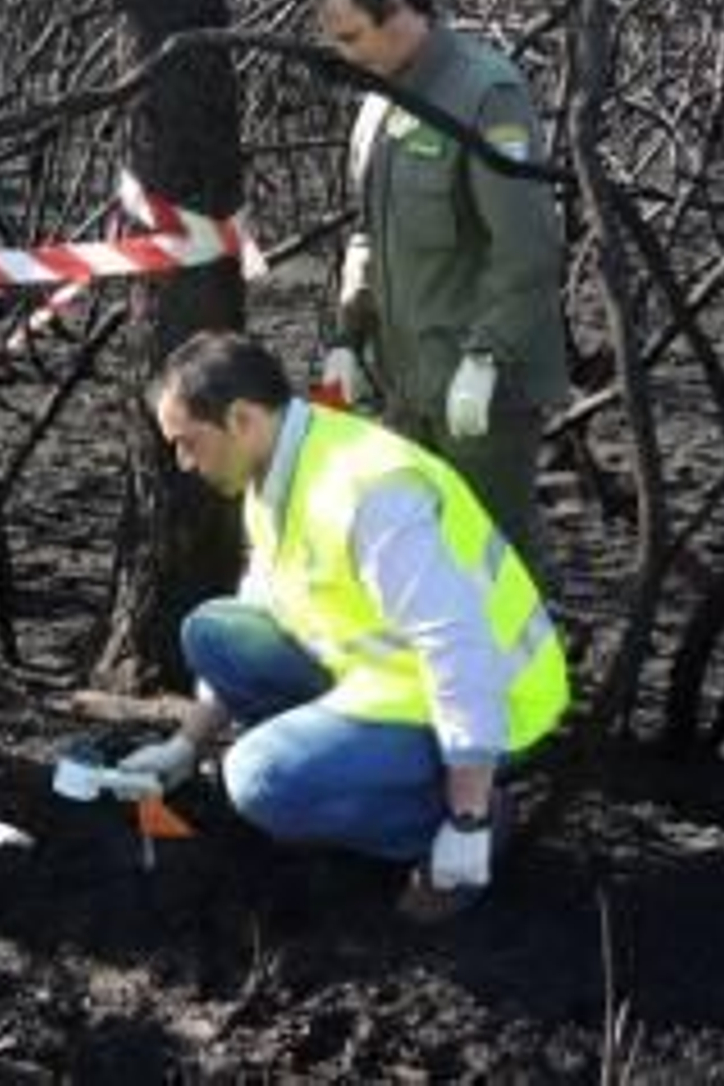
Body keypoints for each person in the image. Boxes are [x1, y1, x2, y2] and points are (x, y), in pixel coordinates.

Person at [120, 331, 568, 913]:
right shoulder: (275, 471)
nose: (183, 462)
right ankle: (341, 772)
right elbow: (263, 601)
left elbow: (457, 649)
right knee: (215, 633)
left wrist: (467, 816)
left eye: (188, 443)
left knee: (257, 779)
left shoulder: (369, 492)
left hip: (496, 703)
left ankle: (450, 824)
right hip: (387, 679)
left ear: (242, 419)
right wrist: (185, 745)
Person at [316, 0, 569, 589]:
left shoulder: (485, 93)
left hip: (482, 390)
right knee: (419, 559)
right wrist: (348, 337)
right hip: (408, 381)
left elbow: (527, 247)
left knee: (494, 560)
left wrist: (487, 358)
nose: (345, 54)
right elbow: (368, 235)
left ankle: (524, 658)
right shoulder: (378, 101)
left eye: (353, 36)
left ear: (400, 12)